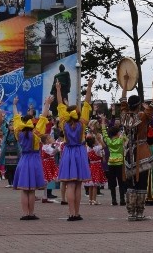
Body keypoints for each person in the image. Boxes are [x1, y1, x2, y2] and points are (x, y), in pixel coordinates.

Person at [118, 74, 153, 221]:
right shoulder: (142, 116)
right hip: (141, 151)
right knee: (142, 182)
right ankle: (140, 212)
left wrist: (125, 83)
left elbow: (122, 102)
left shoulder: (124, 116)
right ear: (139, 104)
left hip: (129, 153)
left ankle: (131, 213)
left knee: (130, 183)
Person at [56, 76, 94, 221]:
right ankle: (77, 213)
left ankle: (71, 213)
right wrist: (89, 86)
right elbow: (87, 103)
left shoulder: (64, 122)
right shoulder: (82, 122)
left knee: (70, 185)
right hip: (80, 152)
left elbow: (60, 104)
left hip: (68, 152)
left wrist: (58, 89)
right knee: (78, 184)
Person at [12, 95, 50, 220]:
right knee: (32, 189)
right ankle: (31, 213)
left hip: (23, 159)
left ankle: (25, 213)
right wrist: (47, 103)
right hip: (34, 160)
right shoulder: (36, 133)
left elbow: (16, 117)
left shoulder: (19, 132)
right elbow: (44, 117)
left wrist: (14, 105)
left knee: (24, 189)